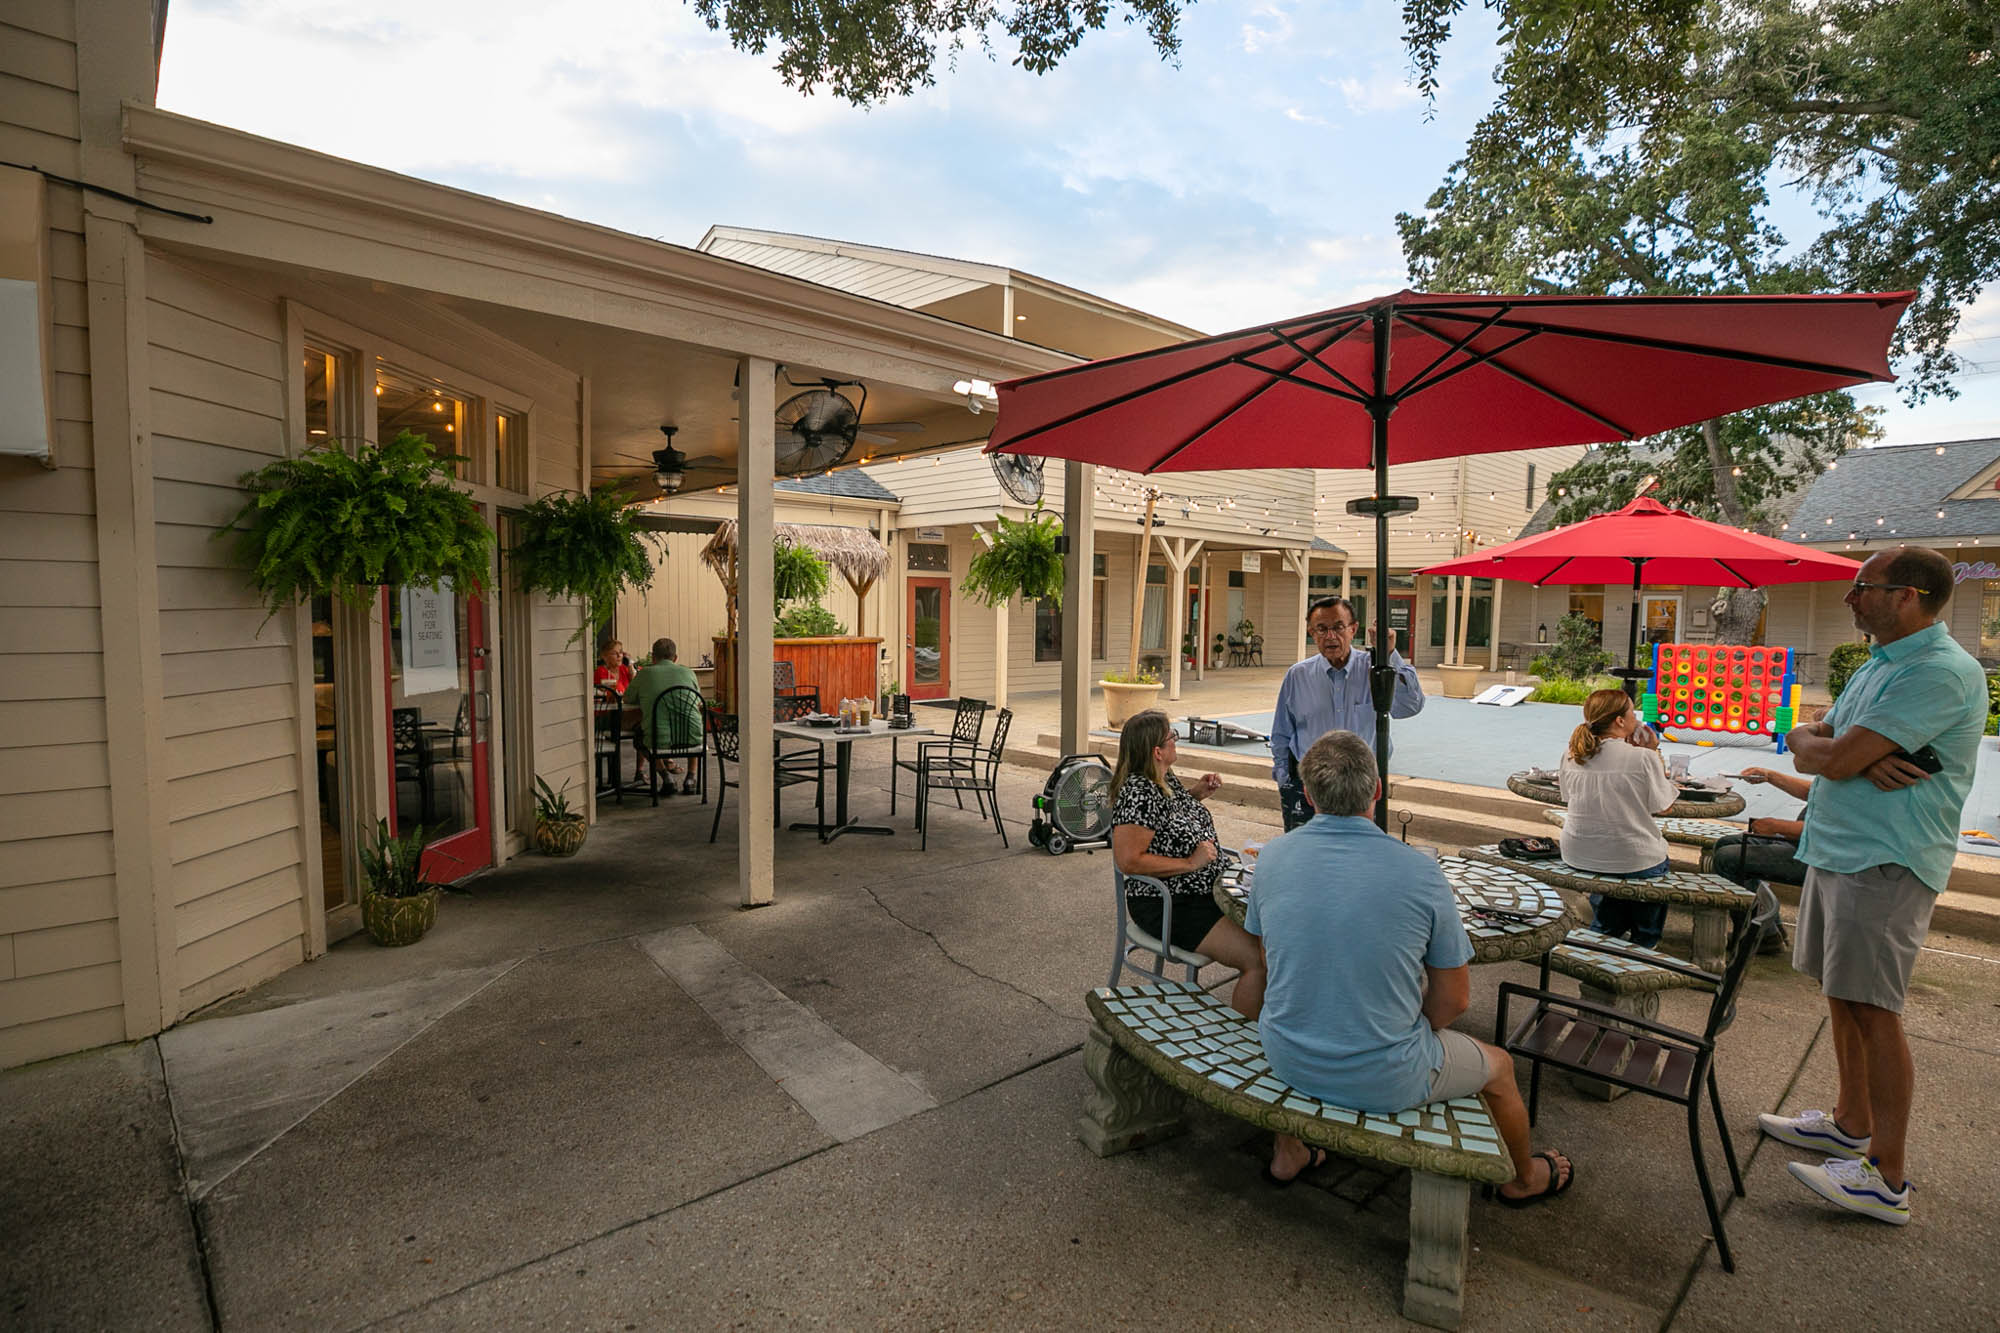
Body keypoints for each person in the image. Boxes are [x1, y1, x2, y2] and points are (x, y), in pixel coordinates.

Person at [1247, 729, 1574, 1201]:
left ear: (1308, 794)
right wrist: (1405, 1028)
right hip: (1385, 1074)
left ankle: (1289, 1150)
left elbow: (1271, 956)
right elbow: (1456, 998)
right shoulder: (1420, 872)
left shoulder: (1272, 857)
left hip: (1286, 1053)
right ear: (1378, 791)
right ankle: (1522, 1180)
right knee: (1500, 1068)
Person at [1764, 546, 1985, 1226]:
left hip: (1885, 859)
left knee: (1874, 1007)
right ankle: (1848, 1118)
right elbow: (1813, 740)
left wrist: (1840, 755)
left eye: (1865, 587)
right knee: (1842, 994)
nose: (1850, 598)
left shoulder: (1941, 672)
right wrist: (1835, 752)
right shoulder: (1878, 665)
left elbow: (1833, 752)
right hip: (1838, 848)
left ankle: (1887, 1174)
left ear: (1910, 595)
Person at [1110, 710, 1267, 1019]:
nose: (1176, 741)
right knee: (1258, 961)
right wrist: (1188, 863)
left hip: (1204, 891)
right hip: (1168, 902)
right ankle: (1244, 1048)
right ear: (1157, 751)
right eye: (1173, 737)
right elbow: (1128, 860)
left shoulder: (1163, 777)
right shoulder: (1139, 794)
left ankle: (1275, 1024)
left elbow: (1171, 817)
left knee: (1271, 940)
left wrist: (1197, 793)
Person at [1270, 596, 1425, 830]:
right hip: (1311, 788)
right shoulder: (1297, 675)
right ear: (1312, 633)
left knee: (1358, 859)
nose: (1330, 636)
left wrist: (1390, 653)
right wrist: (1284, 780)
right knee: (1308, 857)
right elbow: (1282, 733)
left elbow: (1410, 706)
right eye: (1321, 629)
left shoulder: (1375, 669)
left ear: (1353, 629)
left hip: (1360, 789)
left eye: (1338, 627)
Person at [1557, 688, 1678, 949]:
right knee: (1641, 857)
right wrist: (1653, 752)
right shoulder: (1643, 757)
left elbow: (1569, 797)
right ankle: (1645, 940)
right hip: (1634, 858)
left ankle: (1605, 931)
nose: (1636, 718)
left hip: (1578, 852)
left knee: (1613, 861)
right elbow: (1663, 806)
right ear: (1620, 721)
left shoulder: (1571, 755)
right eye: (1632, 712)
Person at [1711, 765, 1809, 954]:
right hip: (1802, 842)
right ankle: (1769, 929)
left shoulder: (1858, 770)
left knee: (1729, 858)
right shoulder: (1846, 767)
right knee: (1725, 843)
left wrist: (1780, 826)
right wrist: (1769, 775)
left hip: (1817, 855)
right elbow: (1812, 791)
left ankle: (1760, 936)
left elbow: (1836, 830)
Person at [625, 638, 704, 794]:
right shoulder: (689, 672)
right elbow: (697, 701)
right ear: (675, 658)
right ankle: (691, 778)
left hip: (659, 739)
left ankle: (666, 776)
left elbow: (627, 698)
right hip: (694, 736)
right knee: (689, 721)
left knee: (639, 738)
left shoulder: (645, 674)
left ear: (653, 657)